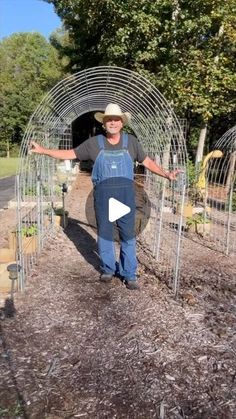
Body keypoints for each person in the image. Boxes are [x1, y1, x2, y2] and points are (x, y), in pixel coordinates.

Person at [30, 103, 181, 290]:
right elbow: (70, 153)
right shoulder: (94, 143)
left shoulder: (131, 142)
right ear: (104, 123)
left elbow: (147, 161)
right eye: (109, 120)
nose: (113, 123)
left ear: (122, 123)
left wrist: (166, 174)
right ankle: (108, 269)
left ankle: (129, 273)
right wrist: (44, 150)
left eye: (116, 119)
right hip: (103, 197)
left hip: (126, 196)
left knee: (128, 234)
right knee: (105, 234)